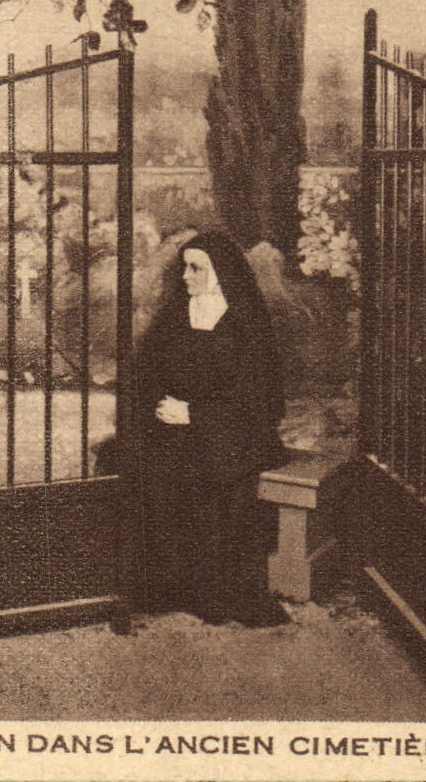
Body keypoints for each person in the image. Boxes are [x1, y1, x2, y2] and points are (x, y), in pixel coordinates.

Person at [131, 229, 289, 627]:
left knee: (218, 477)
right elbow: (146, 373)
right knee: (151, 465)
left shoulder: (246, 324)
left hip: (233, 435)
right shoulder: (175, 316)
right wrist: (160, 407)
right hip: (174, 426)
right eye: (184, 267)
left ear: (220, 273)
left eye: (196, 268)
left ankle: (215, 592)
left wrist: (196, 417)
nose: (186, 276)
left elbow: (259, 400)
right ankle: (169, 586)